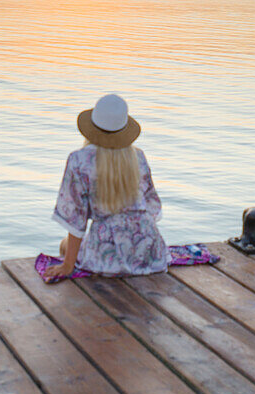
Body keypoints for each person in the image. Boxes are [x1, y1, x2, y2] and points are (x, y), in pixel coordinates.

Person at [43, 94, 170, 281]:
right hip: (149, 251)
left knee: (64, 245)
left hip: (107, 252)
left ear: (92, 127)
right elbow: (152, 208)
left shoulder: (79, 160)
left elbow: (75, 219)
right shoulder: (138, 156)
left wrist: (68, 265)